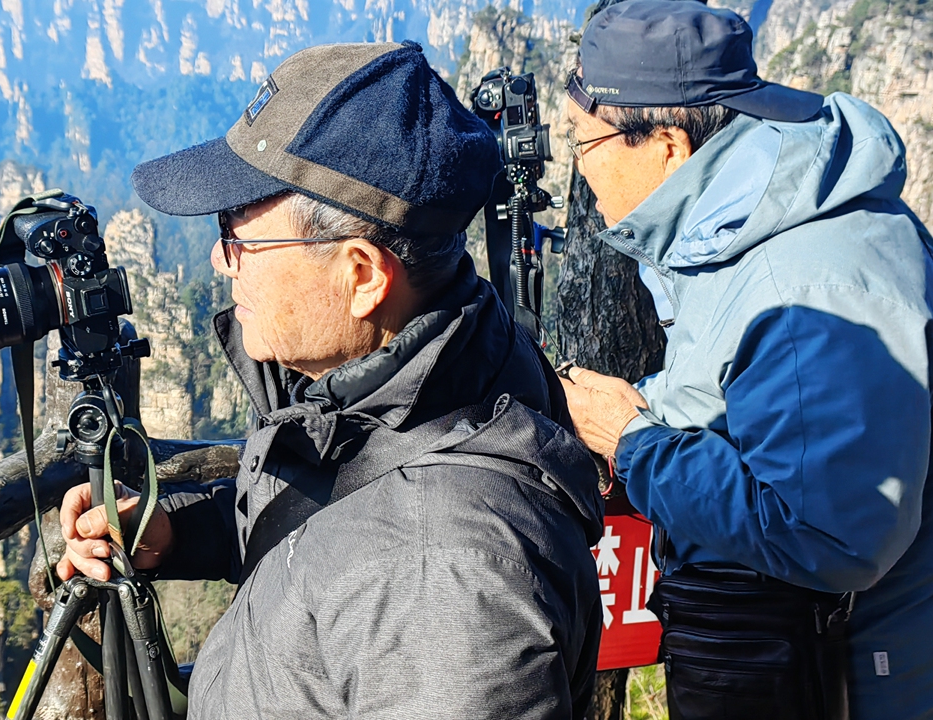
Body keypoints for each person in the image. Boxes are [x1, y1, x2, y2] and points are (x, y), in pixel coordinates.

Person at [56, 41, 605, 719]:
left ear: (362, 275)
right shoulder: (394, 381)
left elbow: (392, 552)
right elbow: (330, 522)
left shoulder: (451, 580)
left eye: (238, 235)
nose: (220, 260)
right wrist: (175, 531)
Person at [558, 1, 933, 718]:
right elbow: (748, 391)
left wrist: (633, 442)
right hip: (782, 656)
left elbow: (832, 534)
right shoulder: (741, 226)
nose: (580, 171)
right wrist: (647, 407)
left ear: (667, 143)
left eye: (583, 144)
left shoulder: (800, 278)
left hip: (842, 680)